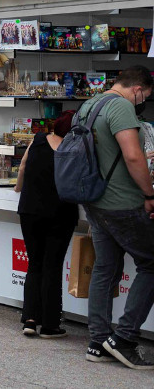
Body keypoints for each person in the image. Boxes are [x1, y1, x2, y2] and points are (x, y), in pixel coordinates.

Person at [78, 66, 154, 368]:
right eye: (145, 96)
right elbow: (133, 156)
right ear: (137, 89)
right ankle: (123, 339)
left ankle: (97, 341)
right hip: (122, 202)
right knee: (151, 263)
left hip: (95, 201)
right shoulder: (121, 106)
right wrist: (149, 194)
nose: (143, 101)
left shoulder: (89, 104)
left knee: (105, 268)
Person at [13, 110, 78, 339]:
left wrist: (19, 188)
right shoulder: (75, 149)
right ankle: (50, 325)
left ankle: (30, 319)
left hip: (30, 210)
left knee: (34, 263)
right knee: (52, 266)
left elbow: (22, 168)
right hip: (60, 212)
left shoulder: (37, 140)